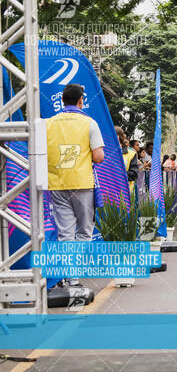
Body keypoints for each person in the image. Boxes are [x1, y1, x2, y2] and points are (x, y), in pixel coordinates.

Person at [46, 84, 105, 287]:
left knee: (65, 234)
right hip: (82, 184)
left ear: (63, 100)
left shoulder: (48, 124)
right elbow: (99, 157)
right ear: (81, 101)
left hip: (57, 183)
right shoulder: (89, 123)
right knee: (84, 232)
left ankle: (69, 277)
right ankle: (74, 275)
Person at [115, 127, 138, 192]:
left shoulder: (131, 154)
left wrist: (118, 175)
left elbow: (134, 173)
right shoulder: (105, 153)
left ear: (119, 137)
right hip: (108, 193)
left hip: (125, 192)